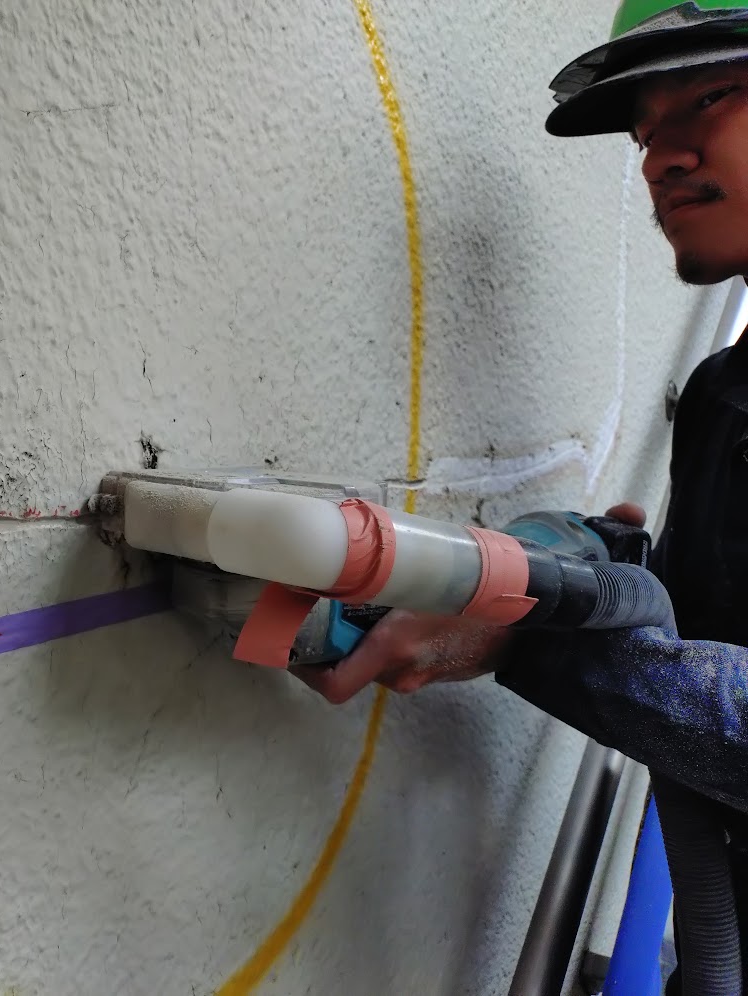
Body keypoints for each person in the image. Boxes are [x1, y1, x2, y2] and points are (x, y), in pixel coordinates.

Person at [293, 2, 748, 991]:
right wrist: (573, 559)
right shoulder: (726, 391)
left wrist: (515, 630)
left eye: (707, 99)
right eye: (644, 132)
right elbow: (703, 620)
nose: (659, 159)